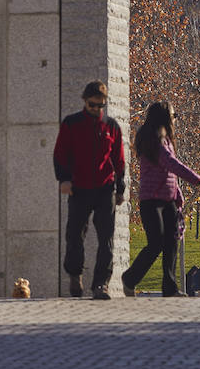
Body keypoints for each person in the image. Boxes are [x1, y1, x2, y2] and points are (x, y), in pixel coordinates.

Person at [121, 101, 200, 298]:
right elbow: (170, 164)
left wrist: (178, 196)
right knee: (156, 242)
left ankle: (170, 288)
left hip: (167, 201)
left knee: (171, 243)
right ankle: (130, 278)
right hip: (151, 201)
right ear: (165, 119)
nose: (175, 120)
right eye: (174, 116)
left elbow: (169, 175)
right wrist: (195, 178)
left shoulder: (164, 140)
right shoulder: (154, 141)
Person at [53, 80, 126, 299]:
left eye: (100, 105)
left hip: (105, 188)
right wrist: (64, 179)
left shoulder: (112, 126)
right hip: (79, 188)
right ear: (85, 101)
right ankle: (75, 276)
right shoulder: (71, 123)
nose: (96, 109)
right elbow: (60, 154)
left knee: (107, 239)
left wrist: (120, 188)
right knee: (74, 236)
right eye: (93, 105)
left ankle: (100, 284)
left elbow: (119, 160)